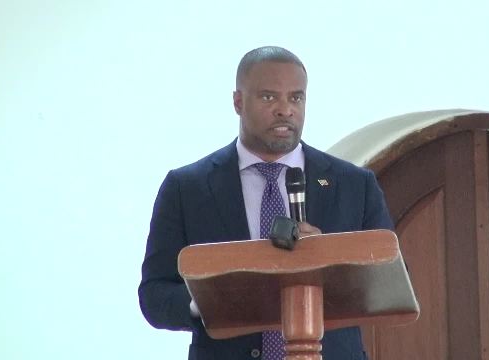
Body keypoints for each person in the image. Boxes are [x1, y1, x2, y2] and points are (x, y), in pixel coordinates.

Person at [138, 46, 394, 360]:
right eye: (269, 97)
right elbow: (155, 296)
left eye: (296, 98)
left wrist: (331, 260)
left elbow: (390, 285)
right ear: (237, 102)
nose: (285, 110)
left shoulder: (355, 185)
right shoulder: (186, 188)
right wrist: (211, 298)